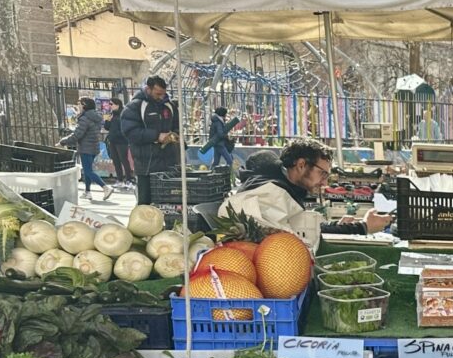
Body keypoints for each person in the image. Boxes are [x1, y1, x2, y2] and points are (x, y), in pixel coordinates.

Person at [219, 138, 391, 251]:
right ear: (301, 165)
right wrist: (362, 227)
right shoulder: (271, 192)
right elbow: (290, 239)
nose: (325, 182)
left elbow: (297, 227)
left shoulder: (281, 184)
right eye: (322, 173)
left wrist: (338, 225)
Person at [119, 76, 179, 194]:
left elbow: (177, 125)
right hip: (146, 165)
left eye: (163, 93)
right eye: (158, 94)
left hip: (169, 163)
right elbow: (130, 132)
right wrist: (156, 136)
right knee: (145, 201)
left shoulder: (170, 106)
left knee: (168, 200)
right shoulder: (134, 107)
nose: (161, 97)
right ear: (148, 89)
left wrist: (176, 135)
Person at [60, 97, 111, 200]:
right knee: (88, 170)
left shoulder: (85, 118)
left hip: (86, 147)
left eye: (79, 103)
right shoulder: (96, 116)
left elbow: (77, 134)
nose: (77, 105)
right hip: (94, 146)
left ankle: (105, 187)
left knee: (88, 171)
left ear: (84, 105)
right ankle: (87, 192)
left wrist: (63, 141)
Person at [103, 97, 133, 186]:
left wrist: (119, 134)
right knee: (115, 160)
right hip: (112, 140)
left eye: (111, 104)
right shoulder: (112, 114)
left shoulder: (123, 114)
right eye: (109, 104)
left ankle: (129, 180)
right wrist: (107, 120)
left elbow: (125, 127)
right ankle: (119, 180)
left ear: (117, 105)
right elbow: (107, 127)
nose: (110, 106)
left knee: (124, 160)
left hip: (121, 141)